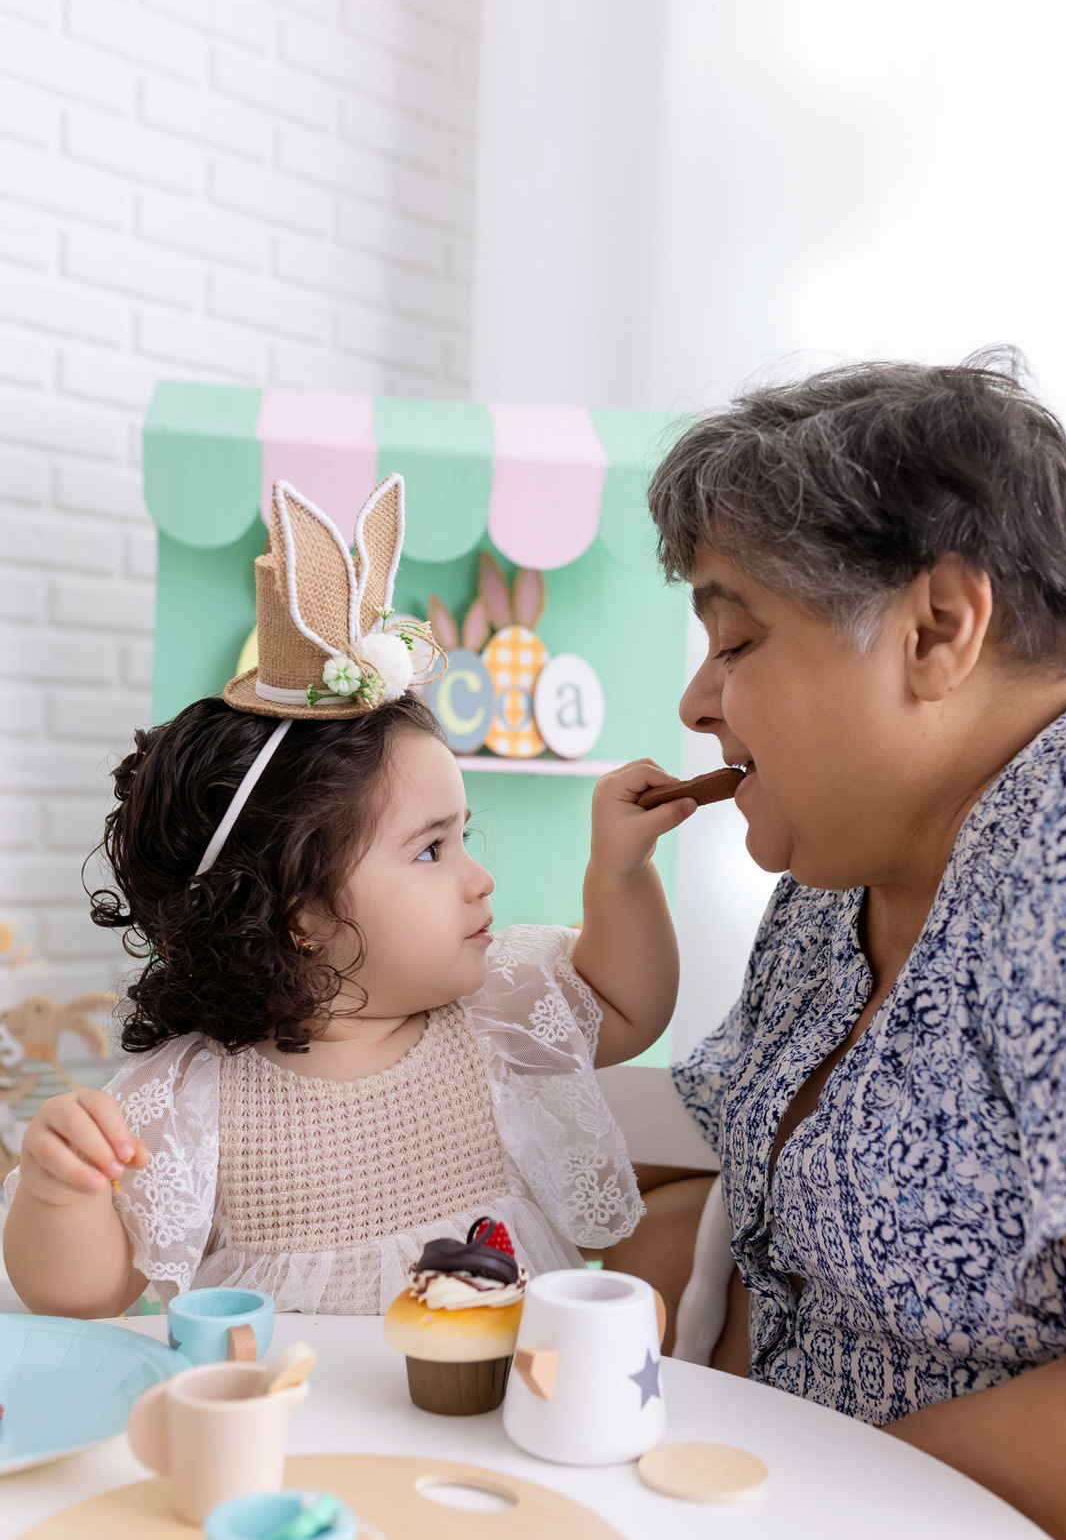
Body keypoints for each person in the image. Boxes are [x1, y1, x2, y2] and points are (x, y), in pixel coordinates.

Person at [652, 352, 1066, 1540]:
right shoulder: (848, 859)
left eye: (736, 638)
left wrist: (803, 1494)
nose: (696, 700)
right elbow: (743, 1219)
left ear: (940, 627)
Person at [4, 476, 694, 1319]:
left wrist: (620, 872)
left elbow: (631, 1006)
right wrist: (59, 1190)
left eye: (463, 837)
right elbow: (87, 1291)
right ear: (301, 917)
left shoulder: (493, 1015)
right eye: (431, 849)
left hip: (495, 1392)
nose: (479, 877)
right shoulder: (197, 1093)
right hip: (305, 1400)